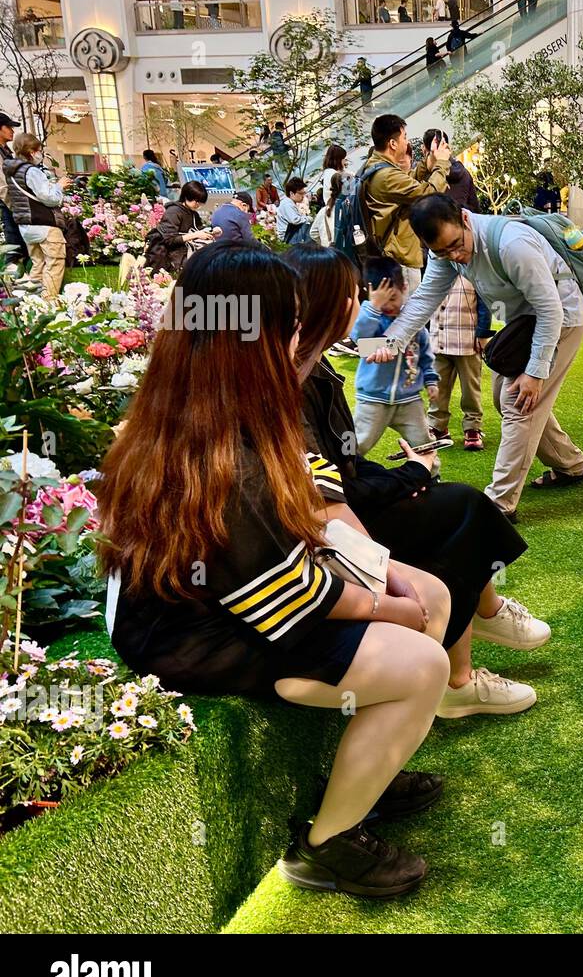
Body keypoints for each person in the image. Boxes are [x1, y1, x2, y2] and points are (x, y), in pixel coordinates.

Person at [99, 242, 453, 898]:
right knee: (421, 663)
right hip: (195, 639)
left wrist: (382, 571)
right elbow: (287, 596)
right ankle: (326, 846)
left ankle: (364, 772)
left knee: (421, 595)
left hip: (221, 605)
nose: (298, 335)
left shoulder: (203, 406)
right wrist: (389, 603)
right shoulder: (224, 452)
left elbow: (307, 519)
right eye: (288, 323)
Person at [285, 244, 546, 718]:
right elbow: (331, 497)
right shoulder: (293, 381)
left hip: (345, 507)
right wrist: (410, 475)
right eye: (354, 294)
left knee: (459, 504)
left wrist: (408, 476)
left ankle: (476, 636)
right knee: (458, 514)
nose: (362, 300)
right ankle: (468, 659)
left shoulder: (316, 367)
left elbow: (345, 468)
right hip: (328, 531)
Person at [387, 195, 583, 524]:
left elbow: (550, 310)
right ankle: (571, 465)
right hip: (524, 322)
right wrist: (393, 340)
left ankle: (498, 504)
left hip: (562, 318)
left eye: (456, 245)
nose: (454, 256)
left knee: (518, 401)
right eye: (442, 252)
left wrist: (536, 372)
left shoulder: (512, 244)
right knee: (505, 397)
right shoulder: (446, 253)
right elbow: (426, 297)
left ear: (465, 219)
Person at [348, 256, 439, 455]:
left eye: (393, 298)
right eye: (383, 300)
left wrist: (431, 380)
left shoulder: (412, 320)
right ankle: (343, 475)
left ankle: (431, 478)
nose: (388, 305)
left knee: (423, 443)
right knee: (357, 444)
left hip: (409, 398)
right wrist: (373, 306)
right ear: (370, 294)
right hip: (373, 397)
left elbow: (424, 353)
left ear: (405, 287)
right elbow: (358, 337)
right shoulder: (370, 315)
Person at [360, 113, 450, 294]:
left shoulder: (376, 167)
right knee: (410, 319)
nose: (406, 143)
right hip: (401, 259)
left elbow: (408, 182)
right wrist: (442, 163)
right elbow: (427, 193)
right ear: (392, 143)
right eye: (405, 137)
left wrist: (430, 160)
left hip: (394, 256)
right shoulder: (385, 176)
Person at [428, 275, 486, 451]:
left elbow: (485, 306)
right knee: (438, 386)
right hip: (438, 341)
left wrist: (483, 333)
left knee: (470, 387)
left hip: (467, 341)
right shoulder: (433, 273)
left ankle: (472, 427)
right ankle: (437, 426)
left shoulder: (473, 272)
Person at [3, 133, 66, 296]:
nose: (40, 154)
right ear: (31, 151)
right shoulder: (31, 171)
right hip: (44, 224)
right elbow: (49, 198)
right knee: (54, 263)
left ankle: (31, 303)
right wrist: (59, 186)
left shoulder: (12, 171)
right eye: (39, 150)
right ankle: (48, 302)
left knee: (38, 264)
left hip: (26, 226)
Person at [145, 179, 215, 275]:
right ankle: (180, 290)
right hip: (172, 257)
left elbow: (198, 228)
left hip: (186, 252)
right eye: (196, 201)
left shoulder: (193, 213)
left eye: (201, 202)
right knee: (180, 286)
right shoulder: (173, 212)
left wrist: (212, 231)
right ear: (186, 196)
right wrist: (195, 235)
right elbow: (169, 240)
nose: (198, 205)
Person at [416, 129, 480, 212]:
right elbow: (475, 207)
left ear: (424, 149)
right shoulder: (463, 173)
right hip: (460, 222)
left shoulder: (425, 179)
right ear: (447, 147)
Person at [0, 112, 30, 268]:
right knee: (15, 248)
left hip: (17, 205)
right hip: (9, 206)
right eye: (8, 127)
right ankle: (10, 288)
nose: (12, 131)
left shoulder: (6, 152)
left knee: (22, 248)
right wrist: (15, 208)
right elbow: (3, 187)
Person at [277, 176, 313, 244]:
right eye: (301, 193)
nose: (303, 196)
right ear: (291, 193)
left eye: (303, 193)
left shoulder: (290, 202)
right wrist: (307, 218)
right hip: (288, 237)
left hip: (292, 233)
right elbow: (295, 220)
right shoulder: (287, 204)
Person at [311, 173, 343, 247]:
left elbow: (313, 233)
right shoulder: (348, 208)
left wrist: (324, 242)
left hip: (330, 252)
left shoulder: (324, 211)